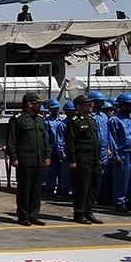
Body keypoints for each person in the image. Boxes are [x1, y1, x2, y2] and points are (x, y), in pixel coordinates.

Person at [5, 92, 51, 226]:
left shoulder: (40, 119)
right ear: (29, 104)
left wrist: (47, 155)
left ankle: (34, 215)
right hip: (25, 160)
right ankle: (23, 216)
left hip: (39, 160)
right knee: (24, 190)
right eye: (37, 103)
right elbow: (11, 140)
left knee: (37, 190)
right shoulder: (18, 119)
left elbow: (45, 140)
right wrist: (13, 157)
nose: (40, 105)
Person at [67, 95, 103, 224]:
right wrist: (72, 160)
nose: (91, 106)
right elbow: (70, 142)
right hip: (82, 159)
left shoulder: (92, 120)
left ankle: (89, 211)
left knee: (94, 187)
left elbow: (95, 141)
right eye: (88, 104)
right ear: (79, 107)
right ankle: (79, 213)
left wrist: (98, 158)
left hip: (94, 159)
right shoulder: (74, 121)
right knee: (82, 188)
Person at [87, 91, 113, 205]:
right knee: (92, 175)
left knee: (104, 174)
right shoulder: (88, 117)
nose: (102, 103)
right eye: (99, 101)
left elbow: (107, 133)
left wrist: (108, 148)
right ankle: (91, 197)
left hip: (103, 150)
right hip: (92, 150)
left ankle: (101, 196)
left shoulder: (103, 117)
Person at [108, 93, 131, 215]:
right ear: (122, 105)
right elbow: (112, 139)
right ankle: (119, 201)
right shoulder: (115, 120)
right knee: (121, 178)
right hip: (123, 153)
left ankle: (129, 200)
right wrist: (116, 155)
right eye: (128, 104)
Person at [43, 99, 67, 196]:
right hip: (52, 149)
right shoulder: (47, 122)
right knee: (51, 172)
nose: (56, 110)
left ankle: (61, 189)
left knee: (62, 171)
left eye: (57, 108)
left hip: (62, 150)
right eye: (54, 108)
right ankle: (50, 189)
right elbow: (46, 138)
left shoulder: (62, 120)